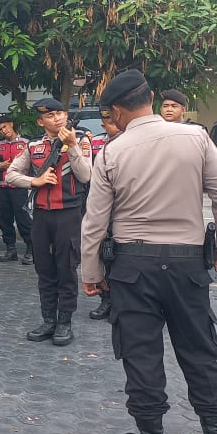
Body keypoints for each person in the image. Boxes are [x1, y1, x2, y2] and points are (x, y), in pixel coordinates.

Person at [81, 69, 217, 434]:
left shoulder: (112, 152)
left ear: (118, 110)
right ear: (151, 98)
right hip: (188, 265)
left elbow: (95, 221)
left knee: (140, 353)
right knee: (199, 349)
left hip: (132, 267)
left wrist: (91, 273)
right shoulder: (195, 138)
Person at [5, 98, 91, 346]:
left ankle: (64, 322)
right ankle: (48, 320)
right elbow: (11, 174)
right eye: (50, 116)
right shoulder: (33, 146)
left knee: (66, 269)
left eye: (60, 113)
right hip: (42, 215)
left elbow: (86, 175)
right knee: (44, 269)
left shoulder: (81, 141)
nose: (58, 118)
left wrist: (72, 145)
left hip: (69, 213)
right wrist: (35, 182)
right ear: (40, 121)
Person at [87, 111, 122, 321]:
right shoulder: (97, 144)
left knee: (121, 259)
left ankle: (119, 302)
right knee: (104, 255)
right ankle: (106, 299)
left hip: (124, 211)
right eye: (110, 124)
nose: (115, 127)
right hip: (102, 208)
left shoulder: (129, 145)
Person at [0, 114, 33, 265]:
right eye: (0, 129)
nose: (3, 130)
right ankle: (11, 249)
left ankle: (31, 250)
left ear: (11, 124)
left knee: (23, 219)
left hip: (20, 187)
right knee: (4, 219)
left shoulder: (26, 143)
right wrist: (0, 166)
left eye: (5, 126)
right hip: (3, 187)